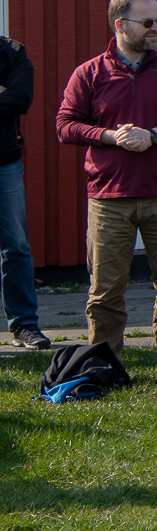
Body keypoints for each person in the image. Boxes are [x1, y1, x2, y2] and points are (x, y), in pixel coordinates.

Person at [53, 0, 157, 384]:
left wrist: (154, 135)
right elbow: (65, 125)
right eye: (148, 22)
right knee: (104, 292)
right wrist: (110, 136)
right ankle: (104, 365)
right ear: (120, 25)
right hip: (109, 197)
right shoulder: (89, 73)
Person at [0, 33, 45, 349]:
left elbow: (19, 99)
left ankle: (24, 324)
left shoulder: (12, 52)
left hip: (4, 163)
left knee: (15, 246)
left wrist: (8, 94)